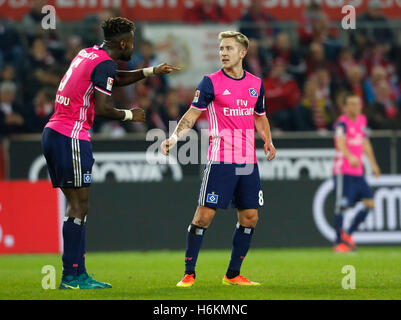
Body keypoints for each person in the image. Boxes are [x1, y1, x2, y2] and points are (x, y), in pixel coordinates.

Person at [41, 17, 179, 290]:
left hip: (54, 132)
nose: (133, 47)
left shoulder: (89, 54)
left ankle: (77, 274)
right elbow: (103, 107)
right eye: (132, 42)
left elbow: (111, 78)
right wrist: (130, 114)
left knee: (77, 206)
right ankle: (72, 276)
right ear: (124, 42)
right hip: (71, 135)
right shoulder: (104, 63)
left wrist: (150, 71)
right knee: (79, 206)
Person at [160, 31, 276, 287]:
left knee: (250, 217)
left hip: (248, 161)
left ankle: (232, 275)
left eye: (228, 49)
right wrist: (174, 138)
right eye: (221, 48)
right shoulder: (210, 82)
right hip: (220, 160)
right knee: (203, 217)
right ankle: (189, 273)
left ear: (242, 53)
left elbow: (260, 115)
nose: (223, 53)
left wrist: (267, 139)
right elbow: (191, 115)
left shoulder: (256, 83)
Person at [332, 93, 381, 253]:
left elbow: (366, 143)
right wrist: (349, 156)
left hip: (358, 172)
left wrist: (373, 164)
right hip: (343, 171)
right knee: (342, 206)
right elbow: (340, 143)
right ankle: (338, 243)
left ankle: (348, 234)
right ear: (345, 107)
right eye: (352, 104)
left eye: (358, 103)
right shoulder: (341, 123)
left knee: (370, 203)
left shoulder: (362, 121)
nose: (356, 107)